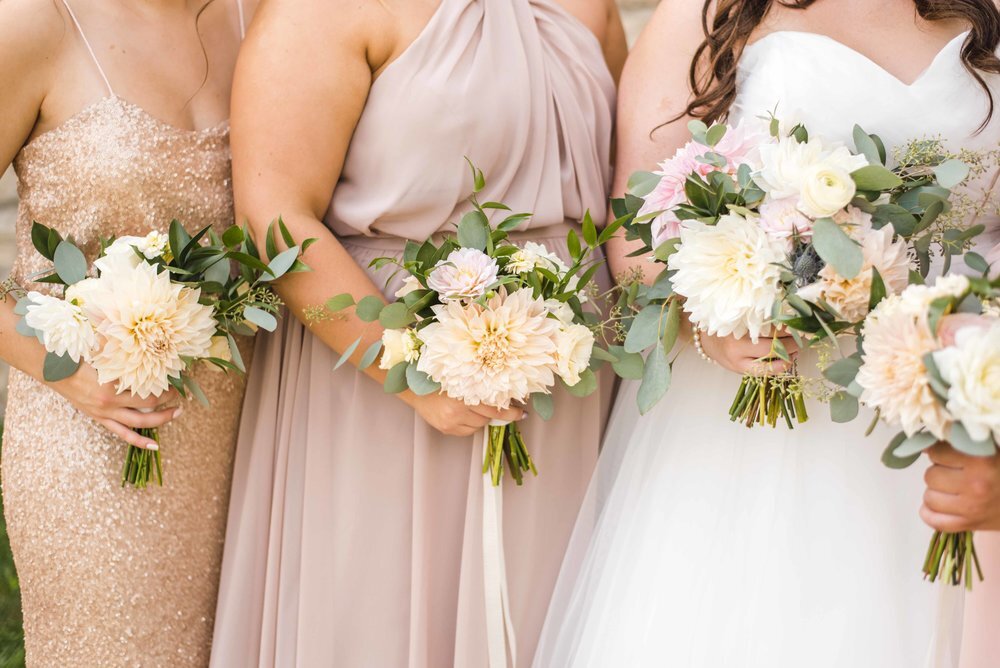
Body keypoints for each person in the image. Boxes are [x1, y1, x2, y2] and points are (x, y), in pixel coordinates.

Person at [534, 1, 1000, 666]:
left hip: (965, 382)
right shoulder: (710, 10)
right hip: (775, 404)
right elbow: (640, 219)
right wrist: (713, 323)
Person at [210, 0, 625, 665]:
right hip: (386, 375)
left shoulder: (590, 9)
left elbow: (616, 189)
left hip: (565, 381)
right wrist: (408, 371)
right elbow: (275, 221)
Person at [0, 0, 253, 663]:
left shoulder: (261, 17)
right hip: (89, 432)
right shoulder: (35, 22)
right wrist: (70, 374)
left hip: (261, 426)